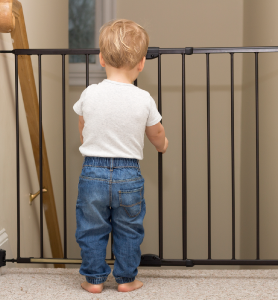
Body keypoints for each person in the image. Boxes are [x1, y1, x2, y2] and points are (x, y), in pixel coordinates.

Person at [72, 19, 167, 294]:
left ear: (101, 59)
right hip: (128, 174)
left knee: (91, 229)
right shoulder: (144, 98)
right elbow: (156, 132)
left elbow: (83, 124)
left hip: (92, 171)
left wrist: (86, 140)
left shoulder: (90, 93)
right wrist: (163, 146)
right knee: (129, 229)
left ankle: (93, 280)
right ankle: (126, 279)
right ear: (141, 63)